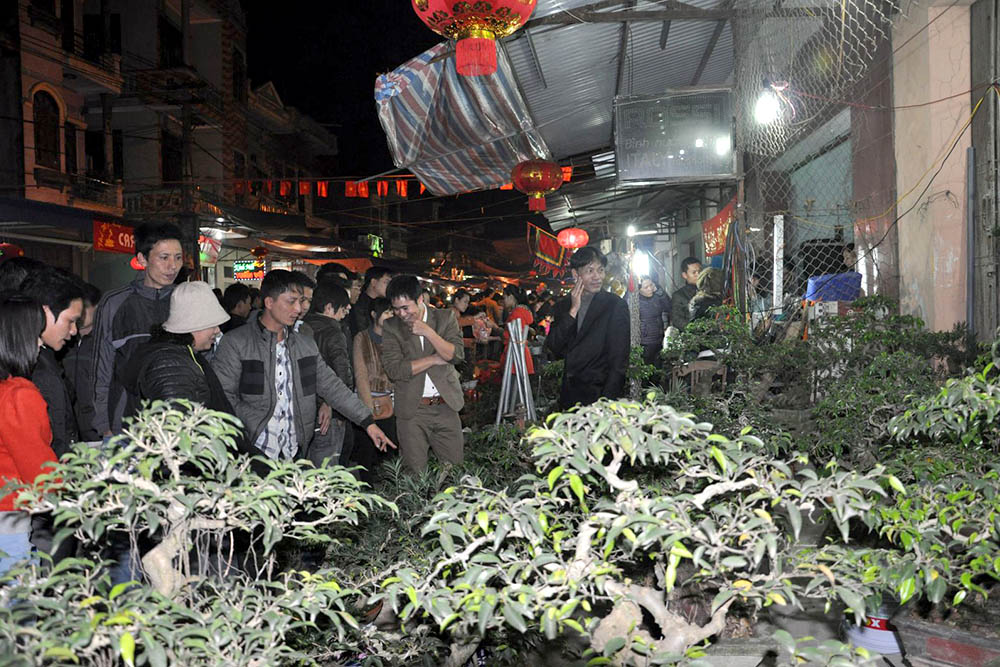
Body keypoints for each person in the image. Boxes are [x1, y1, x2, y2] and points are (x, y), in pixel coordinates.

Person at [212, 270, 393, 465]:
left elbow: (332, 386)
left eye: (301, 301)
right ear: (269, 302)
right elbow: (222, 398)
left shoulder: (304, 345)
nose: (299, 308)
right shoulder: (236, 343)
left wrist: (367, 422)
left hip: (295, 453)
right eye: (291, 301)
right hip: (252, 453)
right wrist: (247, 434)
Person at [92, 221, 183, 435]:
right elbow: (101, 367)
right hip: (127, 424)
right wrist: (102, 425)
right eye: (164, 257)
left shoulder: (185, 299)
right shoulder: (115, 303)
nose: (173, 266)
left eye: (178, 257)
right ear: (142, 259)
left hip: (178, 424)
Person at [381, 275, 465, 473]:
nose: (401, 314)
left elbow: (456, 355)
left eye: (405, 308)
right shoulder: (391, 327)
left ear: (420, 300)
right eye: (396, 308)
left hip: (447, 406)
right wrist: (434, 359)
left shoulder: (445, 318)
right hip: (412, 410)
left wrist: (429, 332)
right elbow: (395, 370)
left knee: (455, 471)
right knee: (415, 476)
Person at [0, 292, 57, 576]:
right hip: (9, 518)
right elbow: (40, 471)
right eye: (35, 334)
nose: (39, 343)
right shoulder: (19, 395)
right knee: (18, 613)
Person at [122, 281, 233, 420]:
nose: (217, 330)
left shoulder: (176, 354)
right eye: (212, 324)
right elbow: (177, 429)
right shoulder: (171, 366)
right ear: (194, 324)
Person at [545, 247, 629, 410]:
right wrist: (573, 311)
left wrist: (607, 402)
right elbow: (554, 346)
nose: (597, 277)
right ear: (576, 275)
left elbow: (619, 360)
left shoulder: (614, 305)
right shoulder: (563, 305)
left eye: (600, 270)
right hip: (570, 395)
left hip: (599, 394)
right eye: (590, 271)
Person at [19, 268, 85, 457]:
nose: (73, 331)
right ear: (45, 313)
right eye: (70, 321)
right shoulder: (36, 369)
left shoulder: (41, 358)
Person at [301, 280, 355, 466]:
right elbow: (341, 372)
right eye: (343, 305)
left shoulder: (300, 328)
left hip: (305, 409)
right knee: (326, 467)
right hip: (329, 412)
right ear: (329, 307)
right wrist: (332, 404)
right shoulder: (333, 332)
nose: (348, 308)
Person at [352, 297, 398, 483]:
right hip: (367, 403)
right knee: (367, 456)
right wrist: (367, 411)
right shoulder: (361, 338)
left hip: (392, 404)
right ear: (374, 314)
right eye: (387, 312)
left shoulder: (395, 338)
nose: (391, 316)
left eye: (392, 312)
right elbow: (360, 375)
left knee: (389, 456)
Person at [63, 282, 102, 442]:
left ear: (97, 307)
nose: (80, 313)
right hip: (72, 431)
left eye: (84, 307)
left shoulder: (106, 341)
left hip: (101, 430)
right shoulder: (64, 340)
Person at [500, 284, 534, 376]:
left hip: (515, 354)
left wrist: (494, 327)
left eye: (504, 298)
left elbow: (511, 335)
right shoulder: (523, 311)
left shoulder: (517, 313)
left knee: (513, 386)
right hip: (519, 352)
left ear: (511, 296)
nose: (503, 301)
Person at [350, 267, 393, 338]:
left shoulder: (386, 303)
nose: (390, 286)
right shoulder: (358, 304)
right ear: (374, 282)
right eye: (386, 282)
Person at [638, 277, 671, 366]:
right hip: (645, 341)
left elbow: (669, 307)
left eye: (651, 285)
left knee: (658, 367)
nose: (650, 289)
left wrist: (660, 292)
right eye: (646, 287)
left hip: (659, 338)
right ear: (639, 290)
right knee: (646, 367)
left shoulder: (656, 297)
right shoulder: (636, 302)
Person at [670, 257, 702, 332]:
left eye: (700, 271)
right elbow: (677, 320)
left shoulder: (710, 291)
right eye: (694, 272)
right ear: (684, 275)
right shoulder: (679, 295)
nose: (698, 274)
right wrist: (697, 330)